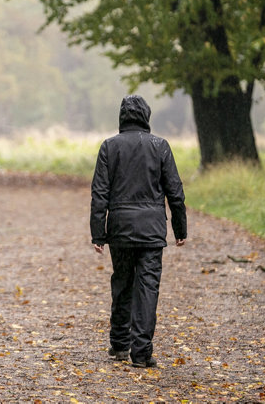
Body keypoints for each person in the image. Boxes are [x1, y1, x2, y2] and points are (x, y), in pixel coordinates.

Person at [90, 94, 187, 368]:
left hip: (119, 229)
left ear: (122, 117)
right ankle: (141, 353)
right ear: (146, 116)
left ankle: (120, 344)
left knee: (122, 281)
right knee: (147, 287)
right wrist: (180, 228)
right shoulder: (160, 146)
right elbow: (175, 192)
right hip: (152, 230)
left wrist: (98, 233)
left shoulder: (109, 147)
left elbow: (99, 194)